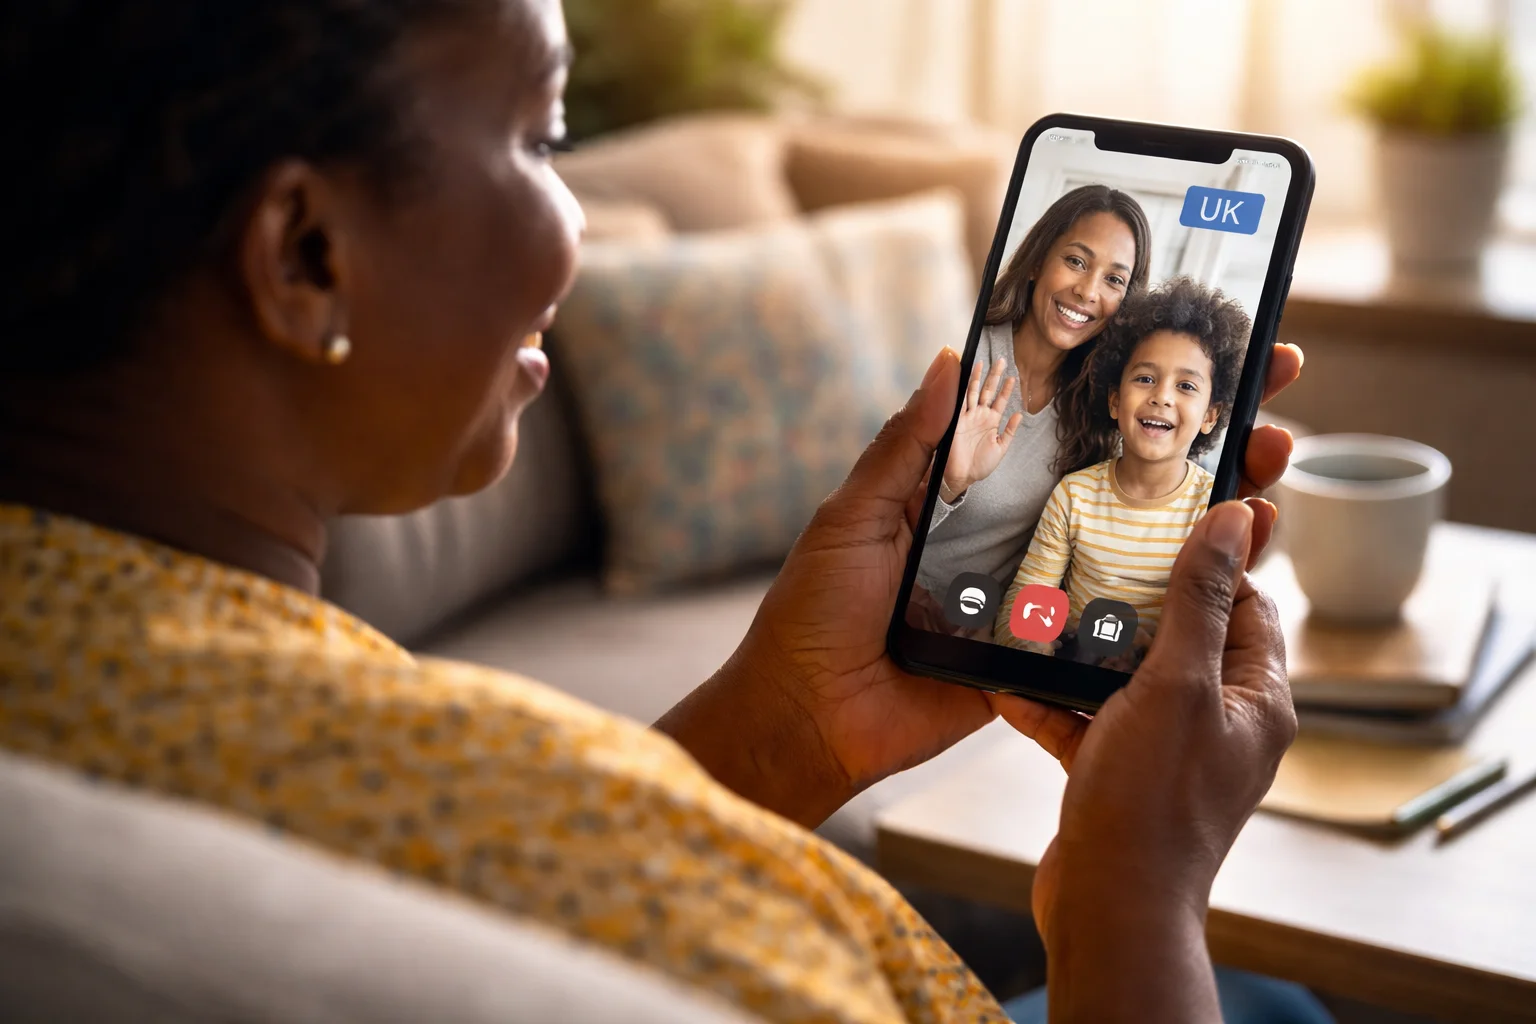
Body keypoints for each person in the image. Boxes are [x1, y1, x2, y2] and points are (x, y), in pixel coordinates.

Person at [0, 1, 1316, 1020]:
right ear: (306, 257)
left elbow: (534, 874)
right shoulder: (677, 930)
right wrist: (1136, 899)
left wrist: (786, 731)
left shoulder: (113, 695)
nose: (582, 221)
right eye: (543, 138)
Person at [909, 185, 1152, 638]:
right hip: (904, 603)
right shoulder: (964, 354)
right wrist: (950, 483)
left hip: (988, 630)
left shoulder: (1101, 407)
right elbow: (883, 515)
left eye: (1114, 280)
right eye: (1076, 261)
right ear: (1038, 261)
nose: (1088, 291)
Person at [995, 279, 1249, 669]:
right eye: (1145, 379)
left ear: (1210, 416)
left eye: (1185, 386)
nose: (1162, 396)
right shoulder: (1075, 495)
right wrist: (1031, 650)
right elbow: (1026, 599)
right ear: (1115, 400)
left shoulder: (1213, 510)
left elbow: (1211, 628)